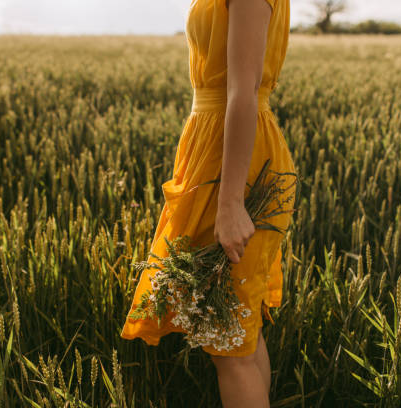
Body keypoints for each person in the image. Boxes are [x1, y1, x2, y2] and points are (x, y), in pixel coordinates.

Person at [121, 0, 296, 406]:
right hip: (214, 153)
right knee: (237, 336)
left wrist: (231, 201)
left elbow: (244, 90)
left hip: (234, 164)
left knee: (227, 343)